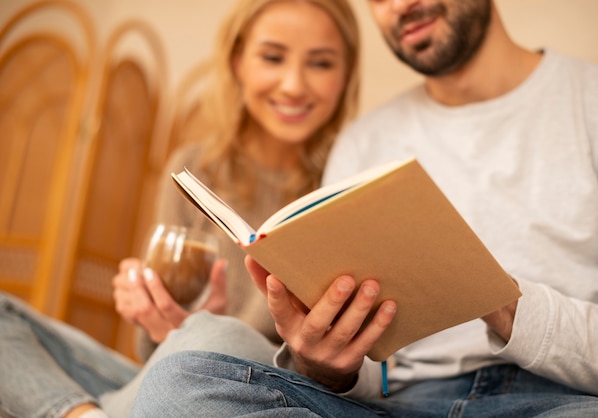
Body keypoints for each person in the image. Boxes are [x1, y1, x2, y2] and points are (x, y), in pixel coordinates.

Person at [131, 0, 598, 416]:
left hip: (558, 403)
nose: (400, 4)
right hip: (393, 406)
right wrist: (330, 366)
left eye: (320, 63)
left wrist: (499, 301)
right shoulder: (365, 141)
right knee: (179, 383)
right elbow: (367, 380)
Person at [0, 0, 360, 416]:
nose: (294, 84)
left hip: (264, 385)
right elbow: (161, 348)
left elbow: (337, 374)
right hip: (177, 371)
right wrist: (161, 317)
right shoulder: (193, 170)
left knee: (212, 341)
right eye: (272, 57)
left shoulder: (346, 184)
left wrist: (217, 332)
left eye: (320, 64)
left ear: (346, 75)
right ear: (238, 61)